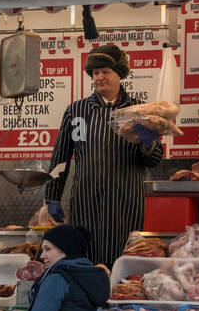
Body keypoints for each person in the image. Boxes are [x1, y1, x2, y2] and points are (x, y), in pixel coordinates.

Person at [43, 43, 166, 268]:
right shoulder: (76, 111)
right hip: (85, 202)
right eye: (95, 73)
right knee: (84, 259)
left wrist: (148, 142)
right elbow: (60, 159)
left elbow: (154, 160)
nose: (99, 77)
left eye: (105, 72)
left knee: (124, 262)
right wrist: (52, 197)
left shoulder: (142, 111)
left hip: (126, 201)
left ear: (120, 74)